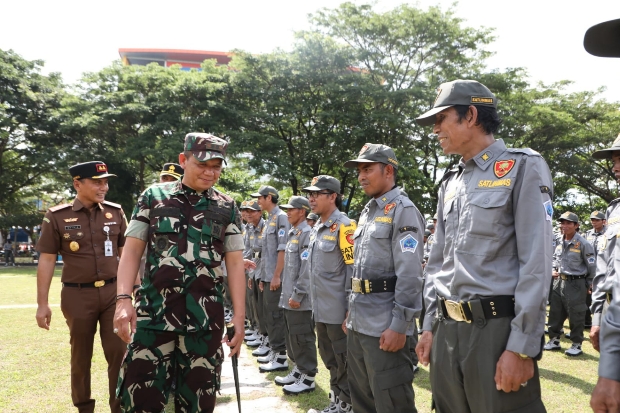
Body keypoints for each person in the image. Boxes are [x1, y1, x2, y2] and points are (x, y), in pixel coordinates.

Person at [415, 79, 552, 412]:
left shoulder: (521, 167)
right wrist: (429, 325)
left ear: (471, 115)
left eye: (440, 119)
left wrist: (521, 348)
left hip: (494, 332)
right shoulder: (451, 181)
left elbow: (536, 263)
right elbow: (438, 262)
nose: (435, 129)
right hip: (447, 332)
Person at [112, 133, 249, 413]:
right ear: (183, 160)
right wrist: (124, 299)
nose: (211, 172)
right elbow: (132, 251)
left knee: (198, 404)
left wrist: (238, 316)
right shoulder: (153, 197)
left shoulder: (227, 206)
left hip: (204, 321)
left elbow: (234, 264)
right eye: (203, 164)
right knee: (142, 401)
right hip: (153, 318)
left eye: (217, 166)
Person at [35, 161, 127, 413]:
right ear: (78, 184)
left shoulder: (115, 212)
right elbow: (47, 259)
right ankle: (84, 407)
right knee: (80, 356)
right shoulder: (57, 216)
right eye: (97, 182)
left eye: (106, 182)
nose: (104, 187)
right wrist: (42, 304)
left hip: (113, 293)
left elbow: (127, 255)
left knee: (119, 352)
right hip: (77, 294)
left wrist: (132, 294)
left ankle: (119, 407)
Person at [343, 144, 424, 413]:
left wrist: (400, 324)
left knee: (392, 401)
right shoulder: (369, 210)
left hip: (383, 324)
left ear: (388, 170)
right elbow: (359, 269)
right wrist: (350, 313)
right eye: (359, 171)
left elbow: (410, 273)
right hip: (359, 321)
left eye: (367, 169)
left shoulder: (403, 210)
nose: (361, 176)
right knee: (362, 398)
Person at [303, 175, 356, 413]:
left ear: (332, 196)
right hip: (320, 309)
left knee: (344, 360)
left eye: (317, 194)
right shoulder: (317, 227)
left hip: (338, 310)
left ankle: (347, 403)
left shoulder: (345, 226)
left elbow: (352, 269)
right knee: (330, 358)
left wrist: (350, 309)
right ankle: (337, 400)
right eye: (310, 194)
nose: (311, 198)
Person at [274, 195, 318, 394]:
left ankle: (308, 377)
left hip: (301, 301)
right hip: (289, 297)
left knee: (302, 338)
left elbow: (306, 270)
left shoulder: (307, 233)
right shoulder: (294, 232)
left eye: (291, 209)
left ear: (302, 211)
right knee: (292, 337)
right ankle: (298, 370)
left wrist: (298, 295)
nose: (287, 212)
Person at [544, 212, 596, 356]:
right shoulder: (559, 241)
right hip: (558, 281)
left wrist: (588, 284)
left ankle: (576, 344)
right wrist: (553, 269)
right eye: (562, 223)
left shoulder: (583, 243)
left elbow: (591, 266)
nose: (564, 226)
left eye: (568, 223)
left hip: (576, 283)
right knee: (555, 311)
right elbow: (555, 258)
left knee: (576, 313)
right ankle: (554, 340)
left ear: (576, 225)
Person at [251, 185, 290, 372]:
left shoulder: (281, 217)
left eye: (260, 197)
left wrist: (276, 275)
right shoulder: (270, 219)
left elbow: (282, 248)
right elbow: (266, 252)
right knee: (268, 314)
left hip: (276, 278)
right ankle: (275, 351)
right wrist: (263, 277)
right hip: (266, 276)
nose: (258, 201)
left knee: (275, 316)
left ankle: (281, 356)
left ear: (269, 198)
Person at [241, 199, 265, 345]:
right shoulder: (250, 228)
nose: (247, 214)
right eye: (245, 210)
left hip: (262, 270)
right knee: (252, 302)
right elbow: (248, 250)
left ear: (260, 212)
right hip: (252, 268)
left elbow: (265, 253)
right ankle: (256, 329)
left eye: (251, 210)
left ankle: (263, 335)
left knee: (262, 305)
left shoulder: (265, 227)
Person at [585, 210, 607, 328]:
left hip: (603, 270)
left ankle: (601, 322)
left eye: (596, 220)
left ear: (604, 221)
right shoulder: (588, 234)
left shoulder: (608, 234)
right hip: (589, 270)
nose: (593, 222)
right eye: (592, 220)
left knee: (601, 296)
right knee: (586, 298)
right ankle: (587, 321)